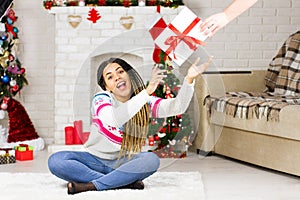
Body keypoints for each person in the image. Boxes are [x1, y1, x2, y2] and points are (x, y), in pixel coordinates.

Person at [48, 56, 213, 195]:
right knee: (57, 160)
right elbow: (113, 119)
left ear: (129, 75)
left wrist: (189, 79)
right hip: (93, 160)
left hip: (125, 162)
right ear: (106, 86)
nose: (117, 77)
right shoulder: (101, 99)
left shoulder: (144, 102)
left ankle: (93, 185)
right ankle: (123, 181)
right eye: (110, 76)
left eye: (120, 72)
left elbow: (177, 107)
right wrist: (146, 93)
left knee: (151, 160)